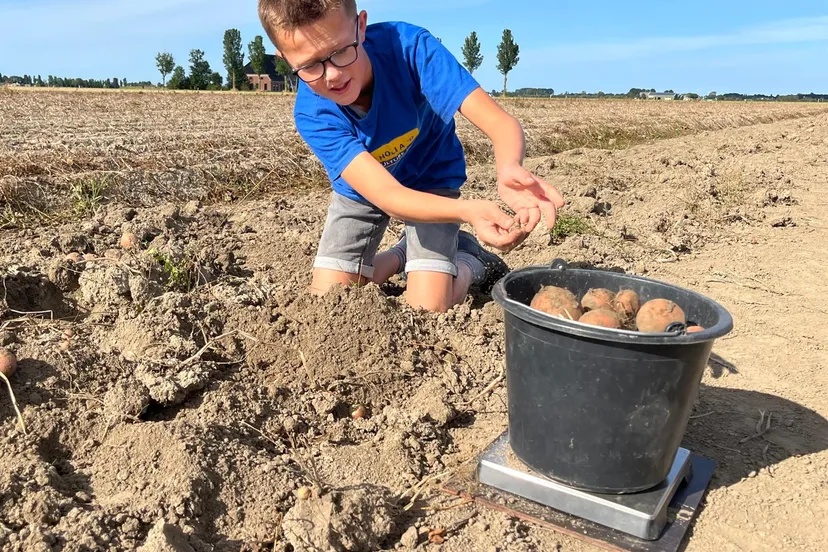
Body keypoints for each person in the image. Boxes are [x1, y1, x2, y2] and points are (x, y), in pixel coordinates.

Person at [257, 0, 565, 312]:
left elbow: (500, 123)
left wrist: (509, 165)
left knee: (429, 308)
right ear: (285, 58)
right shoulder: (313, 114)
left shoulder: (409, 48)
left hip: (431, 176)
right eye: (311, 65)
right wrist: (467, 211)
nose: (333, 75)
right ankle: (403, 254)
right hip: (365, 190)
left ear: (360, 27)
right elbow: (388, 195)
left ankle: (470, 260)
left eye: (340, 51)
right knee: (331, 301)